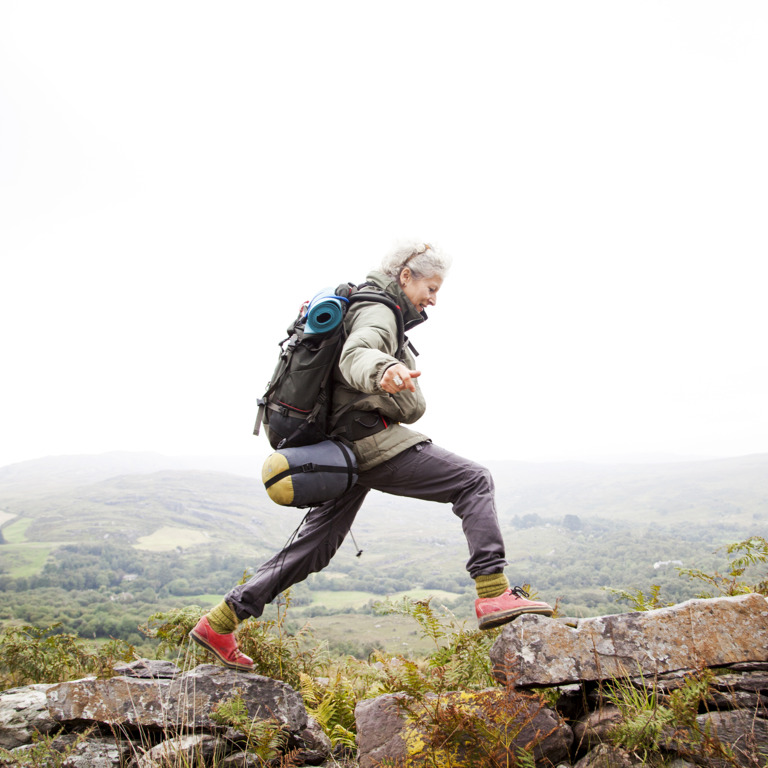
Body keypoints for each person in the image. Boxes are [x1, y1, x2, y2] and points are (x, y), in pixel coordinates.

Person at [190, 241, 553, 671]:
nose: (434, 298)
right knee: (472, 481)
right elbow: (358, 353)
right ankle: (493, 593)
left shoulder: (368, 304)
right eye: (431, 287)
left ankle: (221, 621)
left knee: (315, 548)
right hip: (368, 445)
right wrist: (383, 370)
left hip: (341, 452)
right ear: (405, 277)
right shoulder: (379, 311)